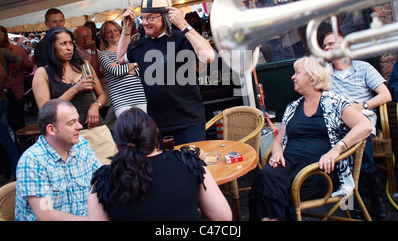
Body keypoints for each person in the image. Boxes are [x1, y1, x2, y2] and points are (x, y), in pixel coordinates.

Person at [249, 56, 372, 221]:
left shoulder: (335, 102)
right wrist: (277, 153)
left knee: (268, 182)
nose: (292, 77)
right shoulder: (293, 107)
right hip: (289, 167)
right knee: (265, 178)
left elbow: (366, 126)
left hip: (319, 172)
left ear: (312, 78)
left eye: (297, 73)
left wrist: (336, 150)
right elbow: (278, 142)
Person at [88, 107, 232, 221]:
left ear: (118, 145)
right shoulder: (187, 162)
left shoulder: (103, 181)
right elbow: (223, 216)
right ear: (157, 136)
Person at [117, 0, 216, 145]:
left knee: (192, 167)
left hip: (189, 121)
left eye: (150, 18)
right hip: (158, 124)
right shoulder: (140, 45)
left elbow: (208, 56)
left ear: (164, 17)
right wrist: (126, 28)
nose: (144, 22)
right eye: (143, 17)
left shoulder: (181, 38)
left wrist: (184, 24)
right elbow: (120, 58)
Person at [322, 31, 392, 219]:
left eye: (331, 44)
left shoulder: (363, 68)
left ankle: (371, 200)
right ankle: (356, 203)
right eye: (325, 46)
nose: (327, 48)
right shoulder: (324, 72)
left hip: (362, 119)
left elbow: (386, 95)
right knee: (341, 154)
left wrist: (362, 106)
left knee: (361, 149)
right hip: (338, 122)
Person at [32, 27, 117, 164]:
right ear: (51, 47)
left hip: (97, 130)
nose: (68, 48)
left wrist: (96, 105)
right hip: (68, 137)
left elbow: (101, 95)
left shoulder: (84, 66)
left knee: (112, 172)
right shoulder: (43, 73)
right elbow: (45, 110)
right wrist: (74, 89)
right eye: (63, 44)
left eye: (70, 43)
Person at [15, 99, 101, 221]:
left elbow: (101, 177)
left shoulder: (81, 145)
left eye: (77, 120)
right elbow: (45, 215)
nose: (80, 126)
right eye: (71, 123)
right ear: (51, 129)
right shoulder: (32, 160)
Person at [98, 20, 147, 117]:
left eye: (115, 30)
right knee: (127, 129)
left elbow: (143, 69)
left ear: (120, 32)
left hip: (139, 94)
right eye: (109, 32)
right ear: (104, 36)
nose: (113, 33)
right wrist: (135, 65)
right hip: (121, 99)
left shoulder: (130, 49)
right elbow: (116, 71)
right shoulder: (103, 54)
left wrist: (134, 65)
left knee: (144, 127)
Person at [74, 26, 116, 131]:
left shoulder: (94, 49)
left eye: (87, 36)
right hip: (96, 86)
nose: (85, 39)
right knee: (117, 98)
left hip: (107, 82)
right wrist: (93, 51)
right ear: (75, 40)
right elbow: (94, 72)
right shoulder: (76, 53)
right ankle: (108, 127)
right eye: (81, 37)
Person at [0, 26, 33, 134]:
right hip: (5, 94)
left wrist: (14, 74)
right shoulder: (1, 51)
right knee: (8, 130)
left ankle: (24, 146)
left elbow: (29, 67)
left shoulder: (18, 50)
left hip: (17, 91)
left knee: (18, 125)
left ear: (5, 36)